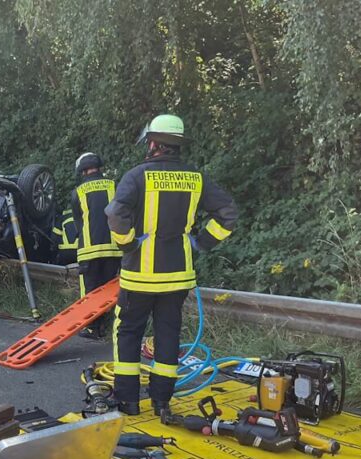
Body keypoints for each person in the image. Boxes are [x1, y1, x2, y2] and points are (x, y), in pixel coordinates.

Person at [105, 115, 237, 416]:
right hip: (177, 277)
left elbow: (115, 215)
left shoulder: (137, 176)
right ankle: (162, 401)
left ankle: (127, 401)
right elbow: (229, 213)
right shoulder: (195, 177)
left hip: (139, 276)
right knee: (168, 335)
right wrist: (201, 242)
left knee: (128, 333)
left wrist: (127, 244)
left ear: (153, 143)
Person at [70, 152, 122, 339]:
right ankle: (108, 324)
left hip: (89, 250)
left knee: (90, 290)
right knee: (108, 289)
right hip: (114, 247)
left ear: (82, 171)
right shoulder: (114, 186)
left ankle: (93, 328)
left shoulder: (78, 192)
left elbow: (78, 223)